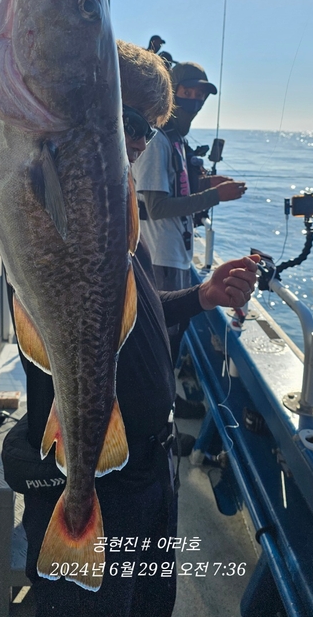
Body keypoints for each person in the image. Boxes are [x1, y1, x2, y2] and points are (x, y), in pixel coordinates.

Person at [0, 0, 259, 615]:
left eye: (149, 129)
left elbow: (132, 315)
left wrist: (199, 297)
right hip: (86, 478)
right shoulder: (60, 164)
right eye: (129, 121)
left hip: (149, 475)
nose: (137, 139)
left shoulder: (120, 220)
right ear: (98, 106)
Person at [132, 61, 247, 413]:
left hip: (177, 254)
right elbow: (156, 206)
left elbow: (175, 188)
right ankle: (162, 407)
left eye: (201, 95)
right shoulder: (157, 143)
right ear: (172, 94)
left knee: (177, 332)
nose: (195, 101)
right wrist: (215, 196)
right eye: (187, 92)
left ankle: (168, 402)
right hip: (162, 256)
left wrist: (207, 183)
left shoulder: (177, 141)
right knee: (163, 337)